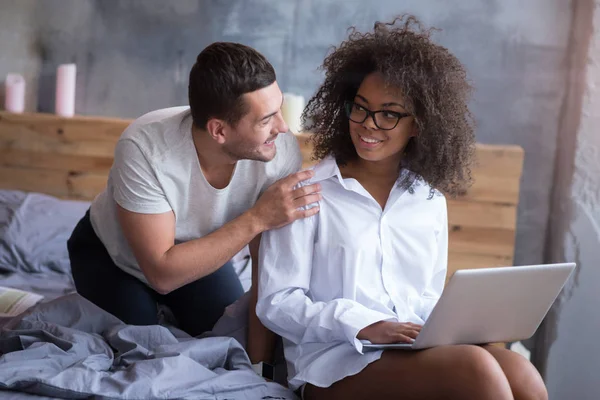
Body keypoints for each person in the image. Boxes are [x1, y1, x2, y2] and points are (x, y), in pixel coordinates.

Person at [256, 15, 548, 400]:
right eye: (359, 107)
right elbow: (277, 302)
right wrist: (365, 325)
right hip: (334, 362)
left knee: (522, 374)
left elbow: (425, 296)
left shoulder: (427, 201)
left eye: (389, 113)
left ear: (418, 124)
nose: (367, 124)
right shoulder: (306, 192)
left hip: (410, 350)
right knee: (476, 371)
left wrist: (458, 328)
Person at [66, 42, 321, 364]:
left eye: (279, 110)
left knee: (230, 337)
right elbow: (162, 273)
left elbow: (266, 274)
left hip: (199, 250)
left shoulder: (279, 152)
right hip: (112, 258)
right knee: (143, 351)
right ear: (219, 130)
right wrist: (257, 218)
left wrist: (258, 370)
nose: (283, 128)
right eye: (266, 120)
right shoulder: (145, 148)